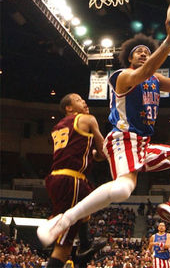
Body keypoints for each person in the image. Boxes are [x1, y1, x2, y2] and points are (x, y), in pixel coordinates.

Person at [37, 14, 170, 246]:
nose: (143, 53)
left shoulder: (153, 78)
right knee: (124, 189)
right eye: (139, 52)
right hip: (122, 139)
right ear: (129, 58)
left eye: (146, 50)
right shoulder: (122, 77)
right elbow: (142, 73)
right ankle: (63, 220)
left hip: (142, 143)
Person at [38, 93, 106, 268]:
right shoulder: (87, 119)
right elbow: (103, 153)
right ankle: (61, 234)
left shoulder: (57, 126)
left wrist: (91, 154)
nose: (83, 101)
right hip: (71, 179)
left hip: (57, 178)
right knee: (64, 246)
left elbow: (78, 150)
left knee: (86, 205)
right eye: (78, 100)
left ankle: (84, 243)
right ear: (68, 108)